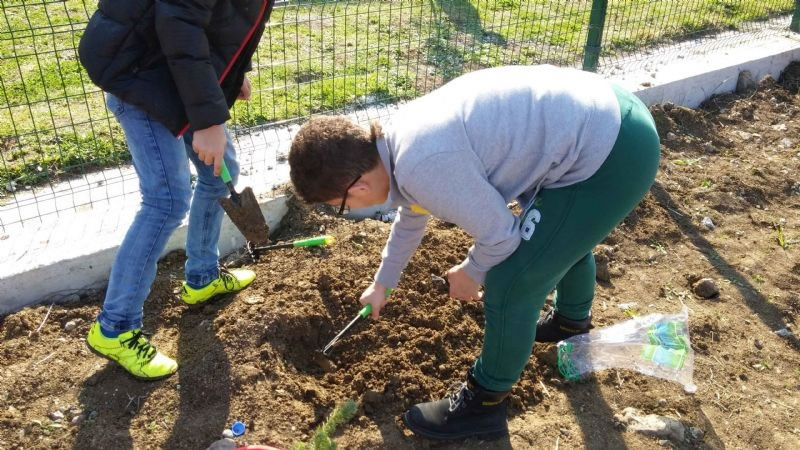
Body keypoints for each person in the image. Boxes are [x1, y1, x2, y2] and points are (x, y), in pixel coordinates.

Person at [288, 65, 660, 440]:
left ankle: (482, 405)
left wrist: (471, 272)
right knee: (556, 236)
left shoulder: (422, 166)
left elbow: (501, 238)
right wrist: (383, 282)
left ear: (357, 188)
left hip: (612, 151)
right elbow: (412, 213)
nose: (347, 212)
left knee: (510, 280)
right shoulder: (395, 145)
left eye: (340, 207)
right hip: (608, 113)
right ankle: (570, 323)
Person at [77, 0, 275, 380]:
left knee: (220, 173)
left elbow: (223, 17)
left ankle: (202, 277)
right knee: (166, 201)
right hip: (140, 72)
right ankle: (115, 327)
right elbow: (180, 24)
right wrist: (208, 120)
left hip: (174, 71)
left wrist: (233, 74)